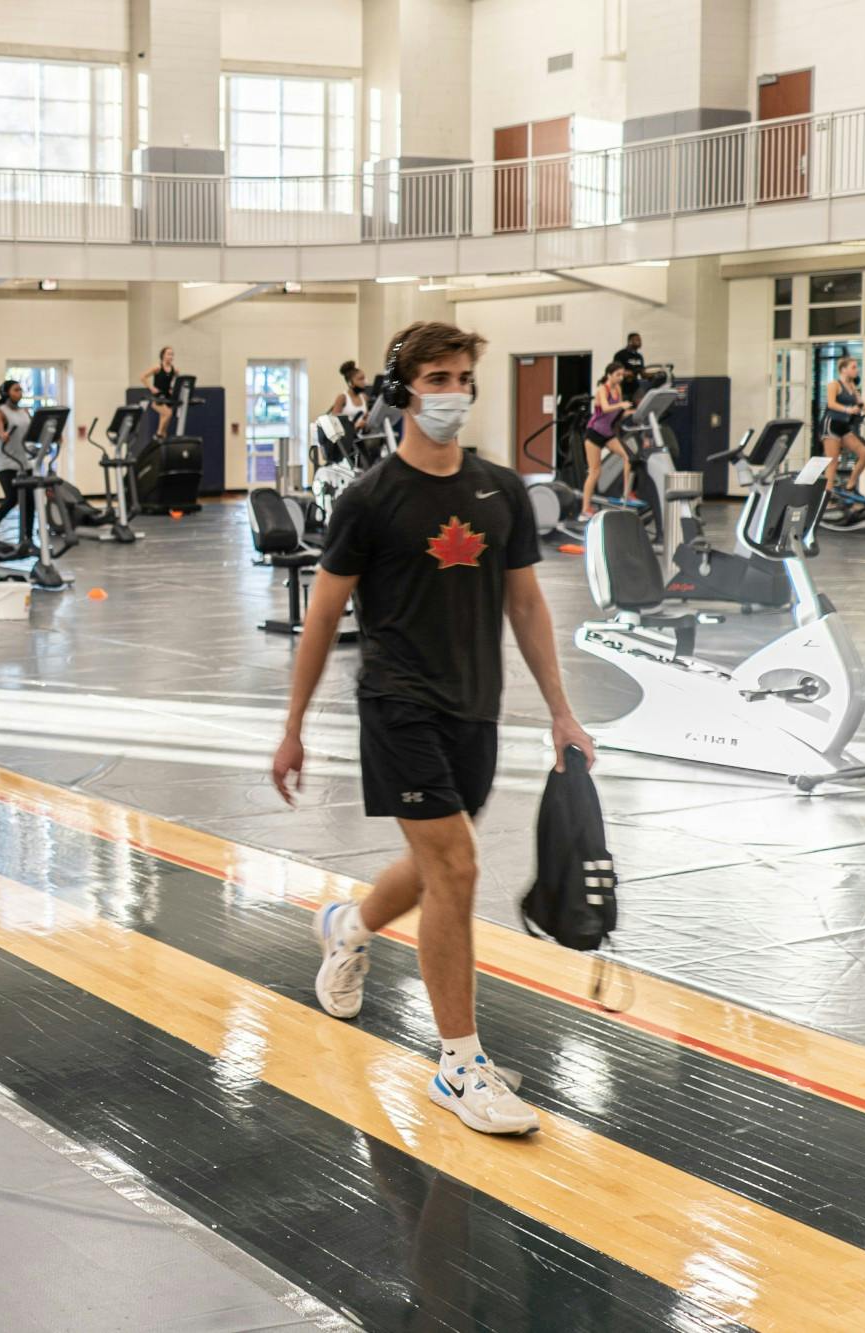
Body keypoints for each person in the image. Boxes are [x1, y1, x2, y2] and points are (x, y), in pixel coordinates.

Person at [270, 319, 594, 1137]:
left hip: (473, 708)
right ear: (402, 391)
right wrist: (293, 724)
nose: (452, 392)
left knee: (431, 865)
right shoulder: (370, 500)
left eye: (462, 377)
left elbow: (525, 602)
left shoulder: (499, 491)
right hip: (396, 704)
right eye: (437, 378)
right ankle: (458, 1064)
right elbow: (322, 617)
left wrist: (560, 709)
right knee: (457, 868)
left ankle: (347, 925)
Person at [580, 363, 636, 516]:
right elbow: (605, 408)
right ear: (609, 375)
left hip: (607, 433)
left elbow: (618, 412)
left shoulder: (618, 389)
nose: (620, 377)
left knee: (628, 458)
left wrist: (632, 411)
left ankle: (626, 493)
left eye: (622, 375)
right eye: (617, 374)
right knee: (595, 472)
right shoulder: (602, 389)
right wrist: (621, 405)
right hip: (594, 433)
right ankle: (585, 508)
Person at [822, 355, 865, 504]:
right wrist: (847, 410)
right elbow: (831, 404)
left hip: (844, 426)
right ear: (843, 369)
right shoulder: (834, 385)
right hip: (831, 425)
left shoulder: (852, 386)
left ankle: (850, 486)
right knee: (832, 462)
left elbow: (862, 404)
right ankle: (827, 497)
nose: (856, 370)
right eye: (853, 367)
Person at [0, 379, 31, 544]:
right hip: (6, 461)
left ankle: (28, 537)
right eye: (16, 390)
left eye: (21, 390)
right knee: (12, 498)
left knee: (30, 500)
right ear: (6, 393)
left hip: (24, 462)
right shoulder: (0, 412)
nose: (19, 393)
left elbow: (34, 430)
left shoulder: (25, 412)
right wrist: (2, 434)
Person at [141, 346, 180, 437]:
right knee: (168, 413)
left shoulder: (175, 370)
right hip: (158, 397)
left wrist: (172, 388)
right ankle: (158, 434)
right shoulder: (157, 368)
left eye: (172, 354)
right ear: (163, 355)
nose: (171, 356)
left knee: (165, 422)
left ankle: (162, 436)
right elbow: (142, 377)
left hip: (168, 397)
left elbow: (177, 380)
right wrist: (151, 388)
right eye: (169, 354)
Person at [329, 360, 368, 426]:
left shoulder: (364, 397)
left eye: (364, 378)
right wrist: (354, 427)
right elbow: (334, 423)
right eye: (360, 379)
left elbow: (365, 419)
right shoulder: (342, 397)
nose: (364, 382)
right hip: (347, 435)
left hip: (361, 435)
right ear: (350, 382)